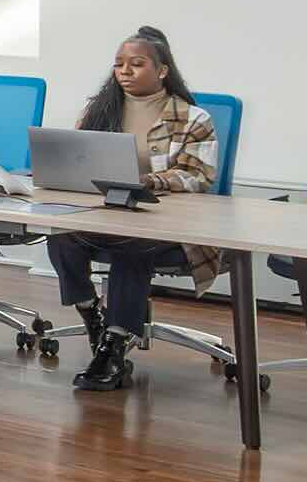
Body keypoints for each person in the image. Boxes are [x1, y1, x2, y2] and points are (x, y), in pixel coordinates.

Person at [49, 24, 220, 394]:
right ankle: (91, 313)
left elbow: (198, 177)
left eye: (136, 64)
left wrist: (152, 182)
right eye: (119, 64)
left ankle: (113, 344)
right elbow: (77, 162)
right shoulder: (97, 112)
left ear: (161, 71)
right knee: (61, 236)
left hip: (169, 226)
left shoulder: (193, 119)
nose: (124, 71)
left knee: (133, 245)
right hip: (105, 214)